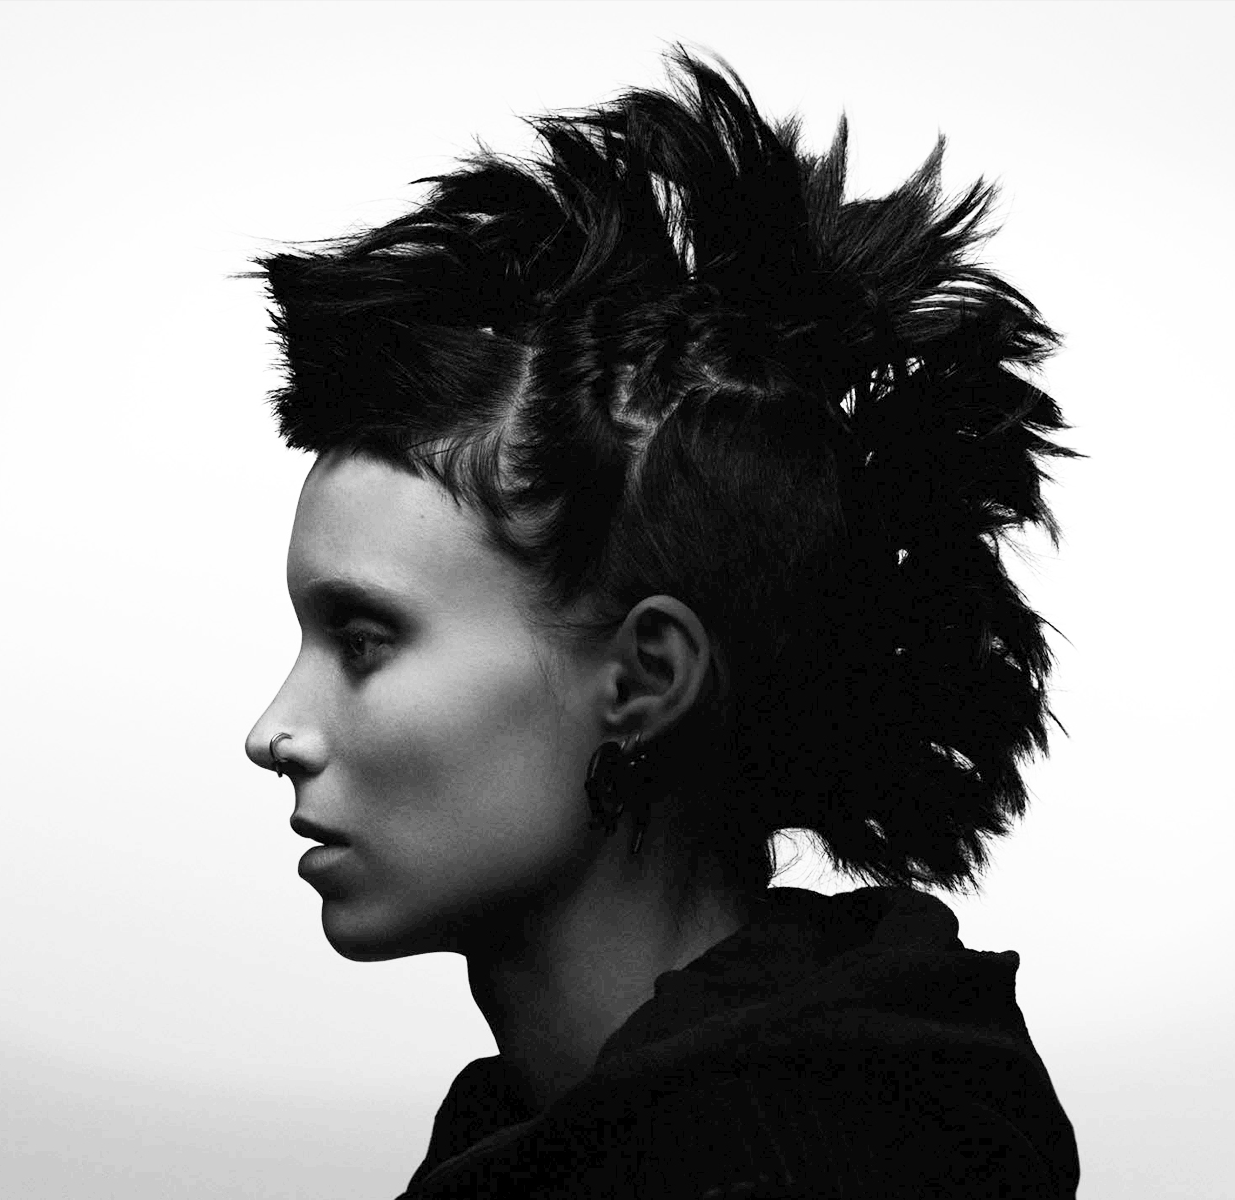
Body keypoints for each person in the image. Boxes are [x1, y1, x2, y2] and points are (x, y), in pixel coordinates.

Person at [244, 49, 1079, 1199]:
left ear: (644, 678)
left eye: (365, 641)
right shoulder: (603, 1131)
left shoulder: (772, 1167)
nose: (273, 731)